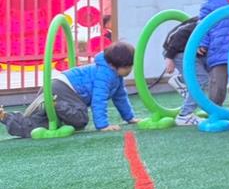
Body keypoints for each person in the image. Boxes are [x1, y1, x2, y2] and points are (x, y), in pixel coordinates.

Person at [0, 42, 138, 138]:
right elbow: (99, 100)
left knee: (38, 125)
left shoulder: (116, 76)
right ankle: (53, 103)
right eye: (128, 67)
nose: (130, 70)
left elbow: (121, 98)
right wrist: (103, 125)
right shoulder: (105, 75)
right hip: (64, 88)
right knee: (80, 119)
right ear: (114, 65)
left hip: (55, 86)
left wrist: (130, 118)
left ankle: (5, 117)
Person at [160, 14, 206, 127]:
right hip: (177, 51)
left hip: (187, 50)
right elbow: (180, 34)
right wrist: (169, 57)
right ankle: (184, 115)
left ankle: (180, 80)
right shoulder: (203, 22)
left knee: (207, 72)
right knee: (200, 78)